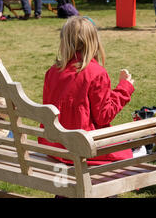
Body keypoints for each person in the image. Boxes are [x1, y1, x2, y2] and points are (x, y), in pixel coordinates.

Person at [37, 16, 136, 165]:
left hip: (54, 146)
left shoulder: (52, 72)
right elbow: (104, 115)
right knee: (125, 152)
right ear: (93, 42)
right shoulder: (96, 73)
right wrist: (124, 88)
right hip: (81, 147)